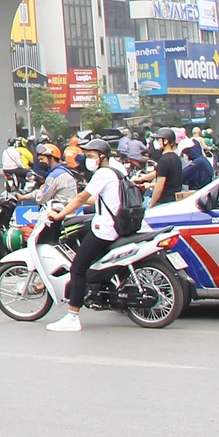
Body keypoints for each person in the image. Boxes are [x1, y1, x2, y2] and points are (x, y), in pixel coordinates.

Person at [45, 138, 129, 332]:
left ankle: (72, 316)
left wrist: (59, 215)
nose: (89, 160)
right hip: (116, 225)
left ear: (102, 157)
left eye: (91, 156)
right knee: (81, 229)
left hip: (105, 229)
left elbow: (82, 197)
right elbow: (94, 199)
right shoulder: (117, 170)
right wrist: (77, 204)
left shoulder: (103, 173)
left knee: (77, 268)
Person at [143, 131, 184, 207]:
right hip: (173, 200)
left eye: (158, 139)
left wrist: (151, 205)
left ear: (166, 141)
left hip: (163, 202)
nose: (156, 142)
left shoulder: (164, 160)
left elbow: (159, 187)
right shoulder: (176, 158)